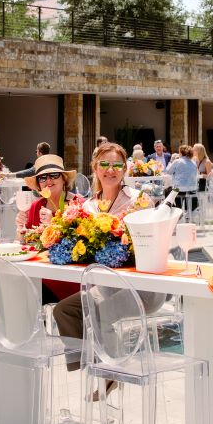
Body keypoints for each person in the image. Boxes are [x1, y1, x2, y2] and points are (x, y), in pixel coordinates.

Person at [54, 142, 163, 374]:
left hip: (141, 287)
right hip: (107, 286)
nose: (110, 170)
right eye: (104, 164)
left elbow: (152, 246)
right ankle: (86, 365)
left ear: (124, 169)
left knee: (98, 312)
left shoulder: (140, 202)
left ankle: (112, 372)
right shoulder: (88, 206)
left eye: (117, 165)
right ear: (95, 167)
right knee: (63, 310)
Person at [16, 155, 85, 304]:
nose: (48, 181)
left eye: (54, 175)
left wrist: (53, 223)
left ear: (64, 179)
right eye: (42, 178)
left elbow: (81, 245)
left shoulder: (78, 204)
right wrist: (20, 232)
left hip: (70, 276)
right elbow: (28, 243)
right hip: (41, 275)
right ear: (38, 185)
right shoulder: (35, 206)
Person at [166, 144, 198, 212]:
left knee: (167, 191)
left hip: (180, 189)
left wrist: (170, 162)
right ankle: (187, 213)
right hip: (192, 189)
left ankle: (175, 211)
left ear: (180, 152)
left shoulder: (177, 161)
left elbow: (168, 172)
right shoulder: (193, 162)